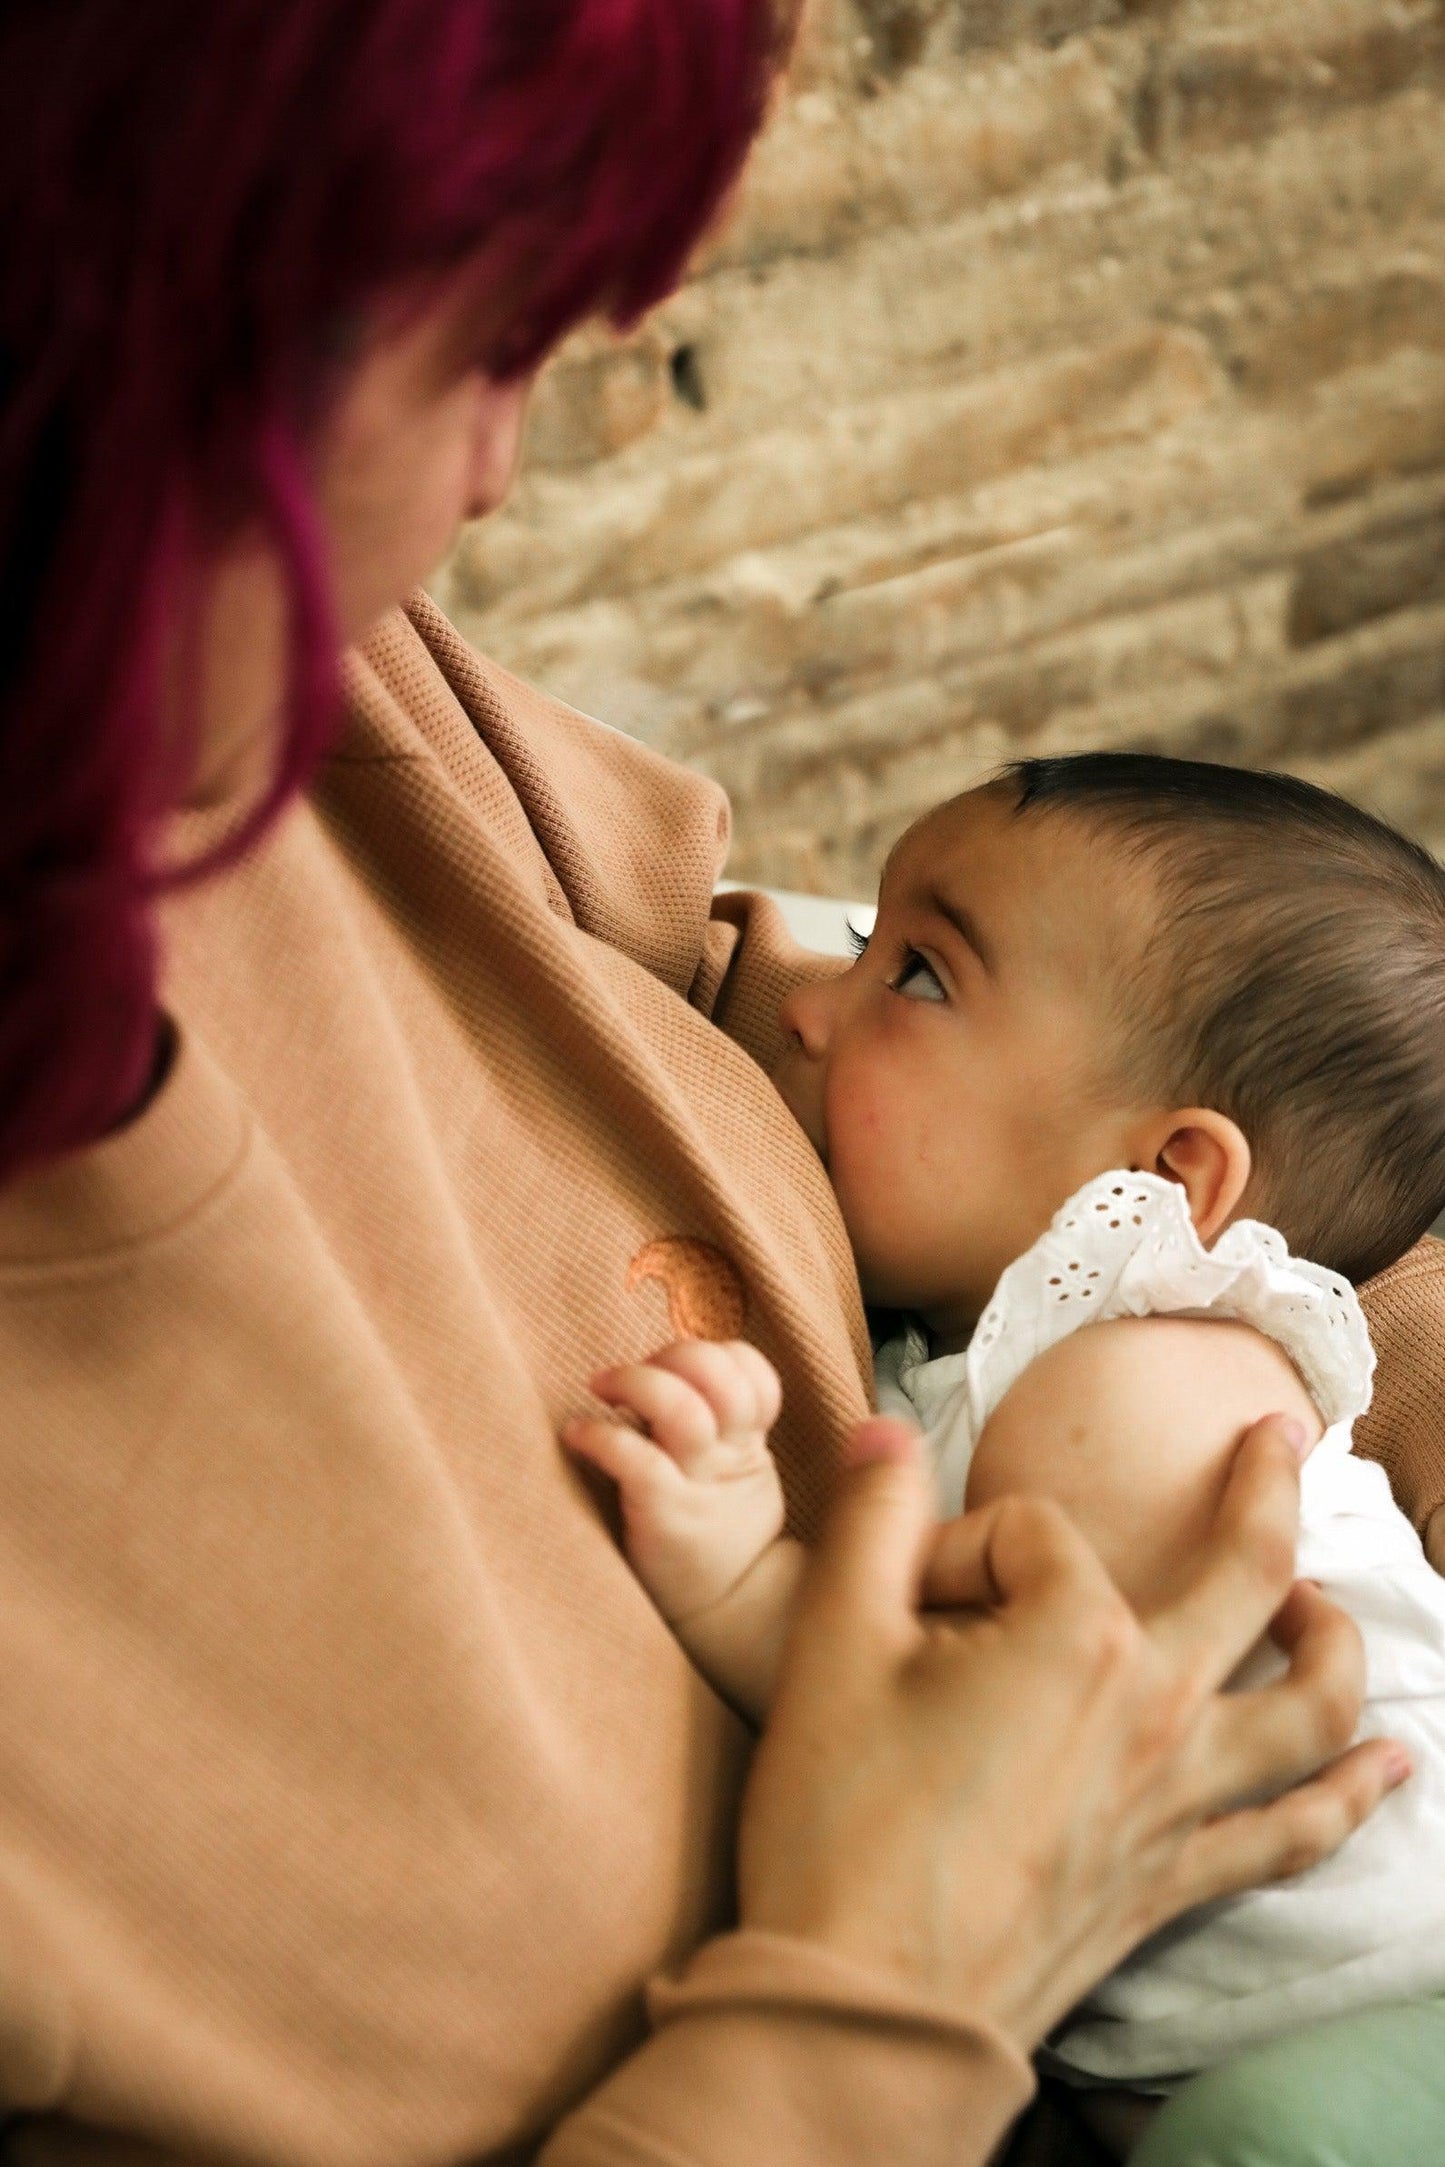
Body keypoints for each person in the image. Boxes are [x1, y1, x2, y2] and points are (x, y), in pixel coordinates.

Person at [0, 7, 1439, 2165]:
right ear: (113, 337)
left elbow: (751, 954)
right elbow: (975, 1714)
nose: (499, 475)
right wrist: (893, 1987)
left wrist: (1372, 1294)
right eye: (476, 335)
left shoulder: (300, 673)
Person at [564, 754, 1445, 2159]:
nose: (802, 1007)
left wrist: (734, 1567)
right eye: (866, 939)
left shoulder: (1135, 1387)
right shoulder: (1001, 1345)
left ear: (1163, 1182)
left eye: (913, 976)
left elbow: (959, 1741)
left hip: (1392, 2020)